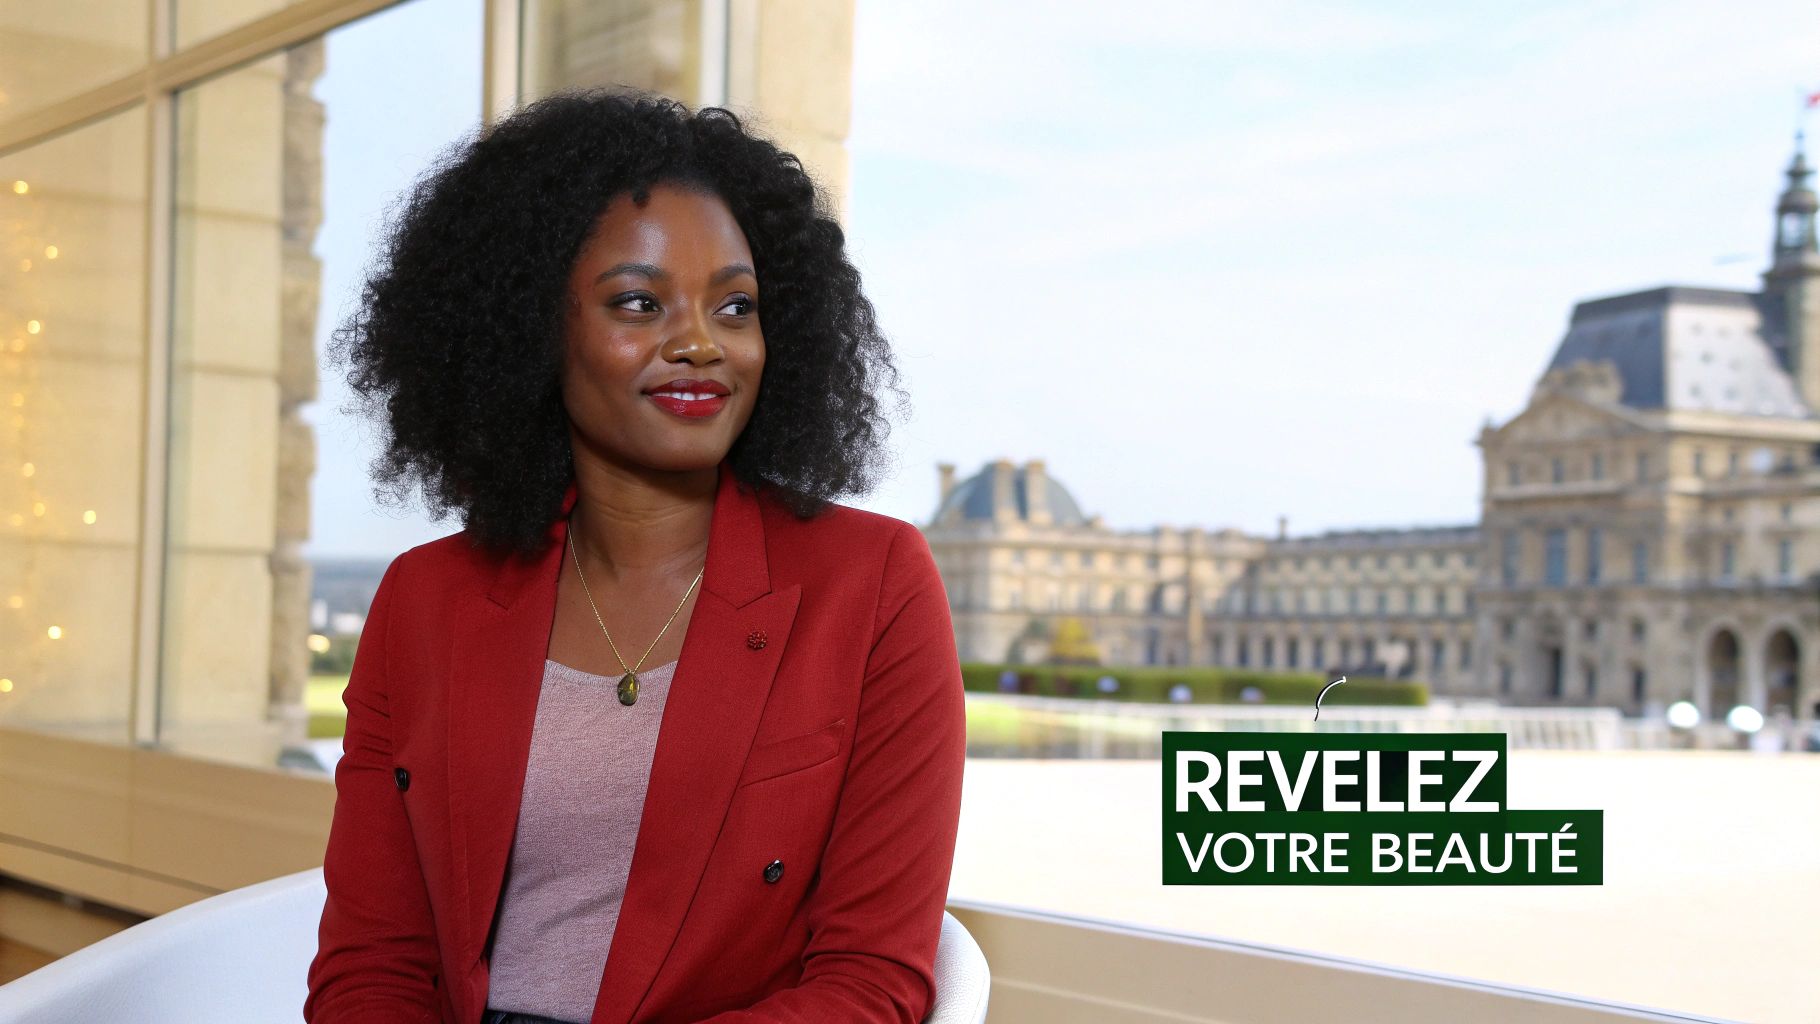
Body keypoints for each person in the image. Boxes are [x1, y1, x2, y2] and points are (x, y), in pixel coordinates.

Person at [303, 88, 966, 1024]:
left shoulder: (872, 584)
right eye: (639, 302)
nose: (700, 342)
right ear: (534, 330)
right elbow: (373, 966)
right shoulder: (427, 599)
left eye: (735, 306)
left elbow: (871, 984)